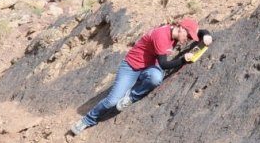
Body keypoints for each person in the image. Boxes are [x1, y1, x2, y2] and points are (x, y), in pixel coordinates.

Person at [69, 17, 212, 135]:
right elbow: (163, 64)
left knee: (156, 78)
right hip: (131, 67)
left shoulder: (178, 32)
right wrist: (182, 60)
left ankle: (131, 96)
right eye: (187, 36)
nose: (188, 39)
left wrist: (206, 36)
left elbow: (200, 32)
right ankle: (87, 120)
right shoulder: (161, 36)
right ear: (181, 28)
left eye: (190, 37)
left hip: (149, 67)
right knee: (112, 101)